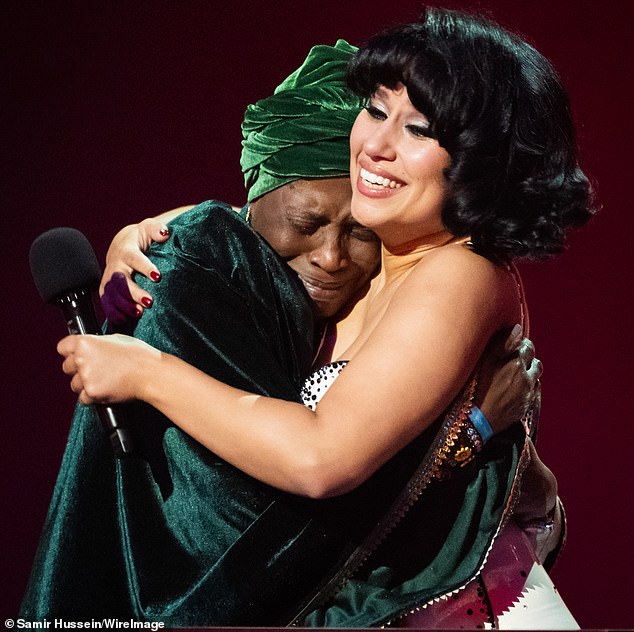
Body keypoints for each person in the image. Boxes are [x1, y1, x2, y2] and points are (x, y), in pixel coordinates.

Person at [26, 13, 580, 626]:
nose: (376, 144)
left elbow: (321, 459)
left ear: (480, 162)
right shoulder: (373, 261)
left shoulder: (461, 270)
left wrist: (147, 374)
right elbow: (244, 223)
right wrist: (140, 236)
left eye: (418, 128)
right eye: (375, 109)